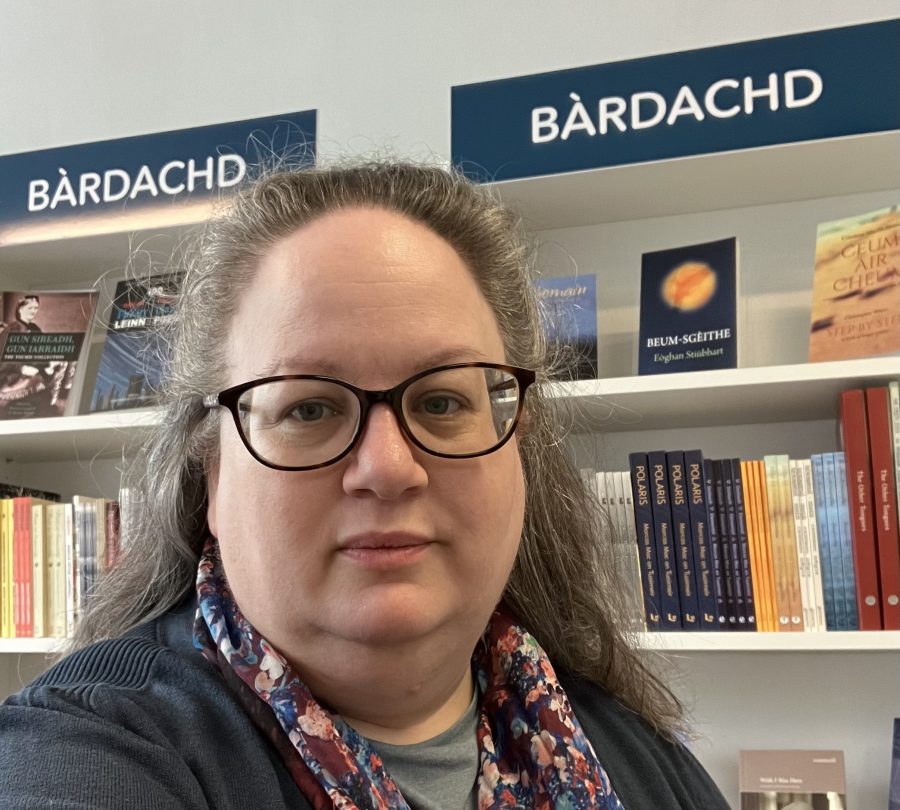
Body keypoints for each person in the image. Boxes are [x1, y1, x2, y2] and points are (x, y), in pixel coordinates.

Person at [0, 162, 729, 809]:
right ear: (214, 476)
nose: (387, 467)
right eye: (309, 408)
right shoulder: (87, 754)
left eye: (442, 402)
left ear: (519, 455)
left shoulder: (643, 760)